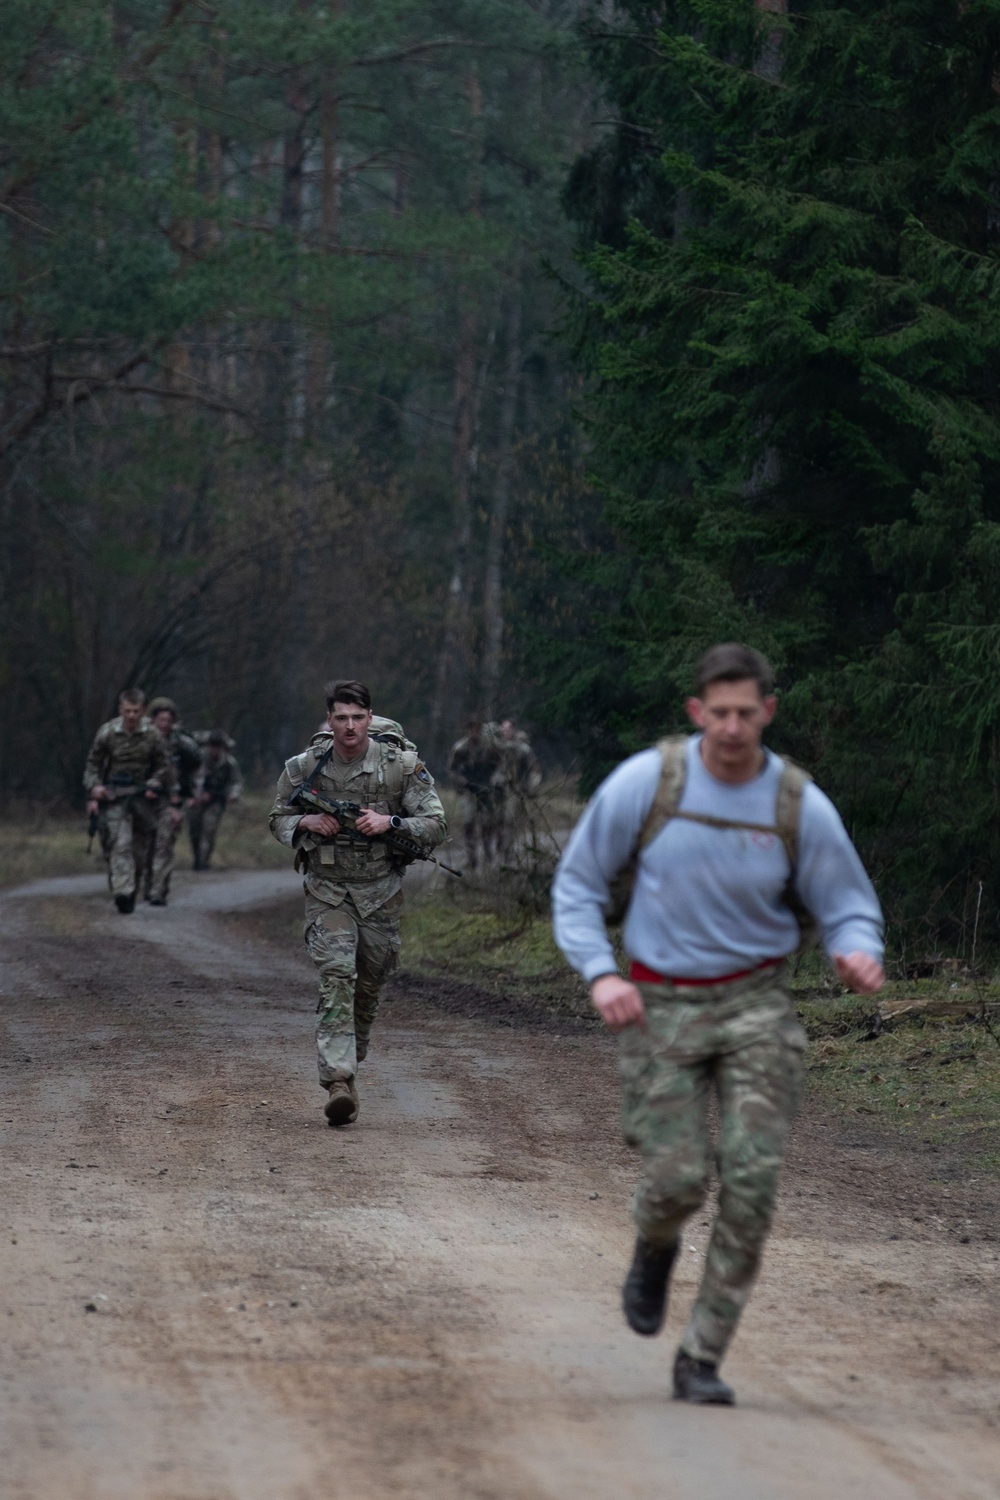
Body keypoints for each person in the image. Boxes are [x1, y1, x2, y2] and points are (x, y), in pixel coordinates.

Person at [551, 642, 884, 1406]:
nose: (733, 728)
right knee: (676, 1181)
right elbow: (577, 885)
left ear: (768, 712)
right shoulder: (648, 782)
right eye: (720, 713)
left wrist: (858, 949)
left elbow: (847, 901)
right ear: (697, 711)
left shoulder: (796, 803)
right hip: (658, 1002)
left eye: (747, 713)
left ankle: (701, 1355)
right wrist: (601, 972)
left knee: (752, 1182)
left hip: (755, 1004)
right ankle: (655, 1241)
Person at [269, 680, 447, 1126]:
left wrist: (391, 822)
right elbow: (277, 818)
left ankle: (351, 1054)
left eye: (357, 717)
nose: (349, 726)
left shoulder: (400, 768)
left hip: (380, 893)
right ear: (329, 721)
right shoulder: (303, 768)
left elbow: (436, 824)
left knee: (368, 987)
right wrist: (307, 821)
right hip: (328, 891)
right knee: (337, 975)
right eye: (341, 718)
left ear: (369, 718)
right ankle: (338, 1081)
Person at [83, 688, 174, 914]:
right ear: (120, 710)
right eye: (127, 711)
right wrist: (95, 787)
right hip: (115, 798)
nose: (131, 716)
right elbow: (92, 765)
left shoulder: (152, 734)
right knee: (120, 844)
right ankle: (122, 891)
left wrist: (154, 782)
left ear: (143, 711)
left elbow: (164, 765)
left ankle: (130, 890)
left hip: (143, 799)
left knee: (139, 852)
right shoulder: (108, 733)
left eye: (135, 711)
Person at [142, 698, 202, 905]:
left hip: (171, 799)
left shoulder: (181, 743)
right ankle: (147, 886)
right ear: (153, 719)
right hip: (145, 799)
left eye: (168, 720)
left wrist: (189, 794)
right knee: (147, 845)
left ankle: (158, 891)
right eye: (161, 719)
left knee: (164, 844)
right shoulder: (143, 739)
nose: (165, 724)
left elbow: (196, 761)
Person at [447, 718, 505, 870]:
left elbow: (501, 764)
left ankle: (488, 854)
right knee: (469, 822)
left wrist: (495, 778)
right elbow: (452, 769)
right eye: (472, 728)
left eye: (477, 728)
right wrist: (461, 781)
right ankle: (472, 857)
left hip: (487, 788)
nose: (474, 732)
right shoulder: (461, 747)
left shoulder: (490, 747)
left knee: (488, 822)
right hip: (470, 790)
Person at [188, 732, 243, 870]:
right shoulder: (199, 758)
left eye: (217, 746)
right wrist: (193, 795)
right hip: (196, 798)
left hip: (216, 801)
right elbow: (190, 777)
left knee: (209, 829)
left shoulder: (228, 762)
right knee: (194, 830)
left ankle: (203, 862)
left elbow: (236, 781)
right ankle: (196, 859)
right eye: (212, 745)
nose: (215, 749)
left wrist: (233, 794)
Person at [492, 717, 542, 858]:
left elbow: (535, 770)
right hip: (498, 790)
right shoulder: (497, 748)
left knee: (511, 819)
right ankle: (499, 848)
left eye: (508, 729)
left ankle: (507, 851)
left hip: (516, 789)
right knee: (496, 820)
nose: (505, 732)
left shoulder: (522, 749)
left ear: (513, 730)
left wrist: (531, 788)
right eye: (503, 729)